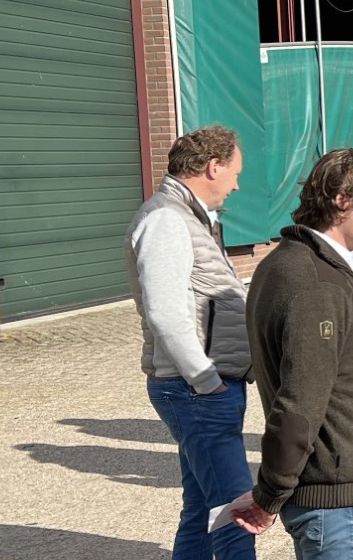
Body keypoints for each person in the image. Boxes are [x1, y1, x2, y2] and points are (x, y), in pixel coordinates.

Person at [232, 149, 353, 560]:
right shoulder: (315, 284)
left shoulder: (302, 264)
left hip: (341, 498)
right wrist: (269, 494)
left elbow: (348, 371)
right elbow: (299, 405)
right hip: (338, 505)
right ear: (343, 199)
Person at [125, 125, 255, 560]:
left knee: (203, 507)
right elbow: (164, 310)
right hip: (196, 389)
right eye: (235, 172)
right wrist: (206, 381)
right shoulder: (166, 219)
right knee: (237, 511)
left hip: (203, 386)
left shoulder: (189, 217)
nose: (237, 183)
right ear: (212, 167)